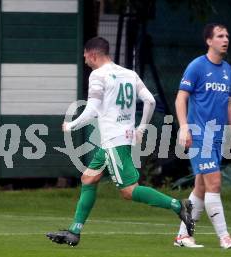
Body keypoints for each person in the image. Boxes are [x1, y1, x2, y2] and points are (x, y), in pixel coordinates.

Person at [46, 37, 194, 246]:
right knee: (88, 178)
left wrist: (72, 125)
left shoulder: (98, 75)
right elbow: (150, 101)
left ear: (93, 55)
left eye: (85, 56)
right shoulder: (129, 74)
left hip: (113, 141)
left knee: (128, 191)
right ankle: (74, 232)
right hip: (117, 139)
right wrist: (141, 128)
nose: (84, 59)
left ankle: (179, 206)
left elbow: (92, 110)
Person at [173, 23, 231, 249]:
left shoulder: (227, 69)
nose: (225, 39)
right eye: (220, 36)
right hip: (199, 134)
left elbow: (229, 102)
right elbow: (180, 98)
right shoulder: (197, 66)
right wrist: (184, 127)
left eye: (227, 35)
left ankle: (183, 235)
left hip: (217, 136)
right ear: (209, 41)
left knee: (201, 188)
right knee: (214, 182)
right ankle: (224, 237)